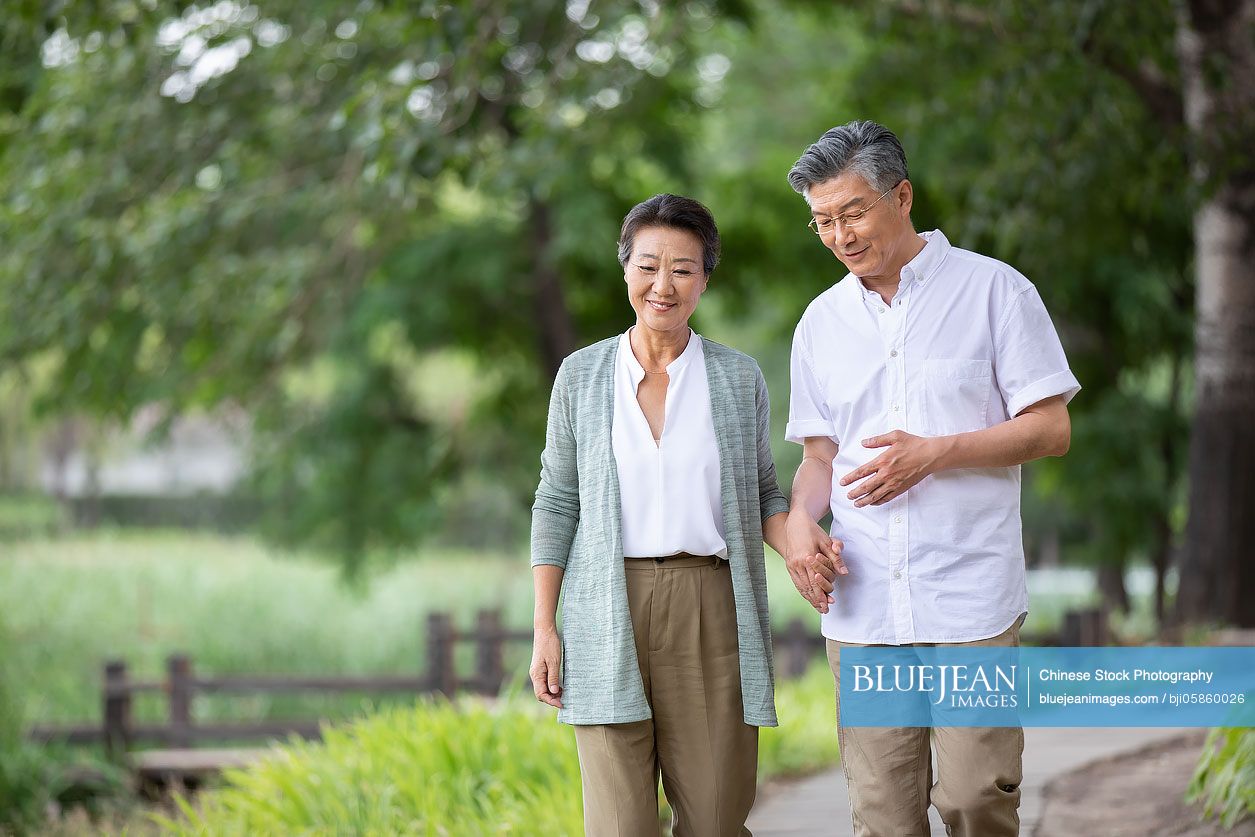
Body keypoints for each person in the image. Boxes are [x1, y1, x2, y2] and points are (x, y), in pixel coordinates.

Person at [781, 120, 1080, 837]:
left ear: (902, 195)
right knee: (883, 814)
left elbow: (1050, 428)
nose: (840, 236)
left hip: (968, 598)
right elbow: (819, 458)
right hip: (864, 605)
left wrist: (934, 452)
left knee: (977, 797)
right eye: (822, 222)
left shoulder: (994, 292)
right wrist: (798, 522)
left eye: (852, 212)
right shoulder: (819, 324)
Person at [528, 193, 818, 837]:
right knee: (620, 825)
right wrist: (546, 627)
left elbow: (764, 493)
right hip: (605, 603)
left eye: (683, 269)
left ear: (705, 279)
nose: (664, 285)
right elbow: (557, 501)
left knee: (716, 817)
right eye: (648, 266)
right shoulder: (580, 376)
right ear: (625, 270)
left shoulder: (738, 378)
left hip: (710, 605)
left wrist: (800, 544)